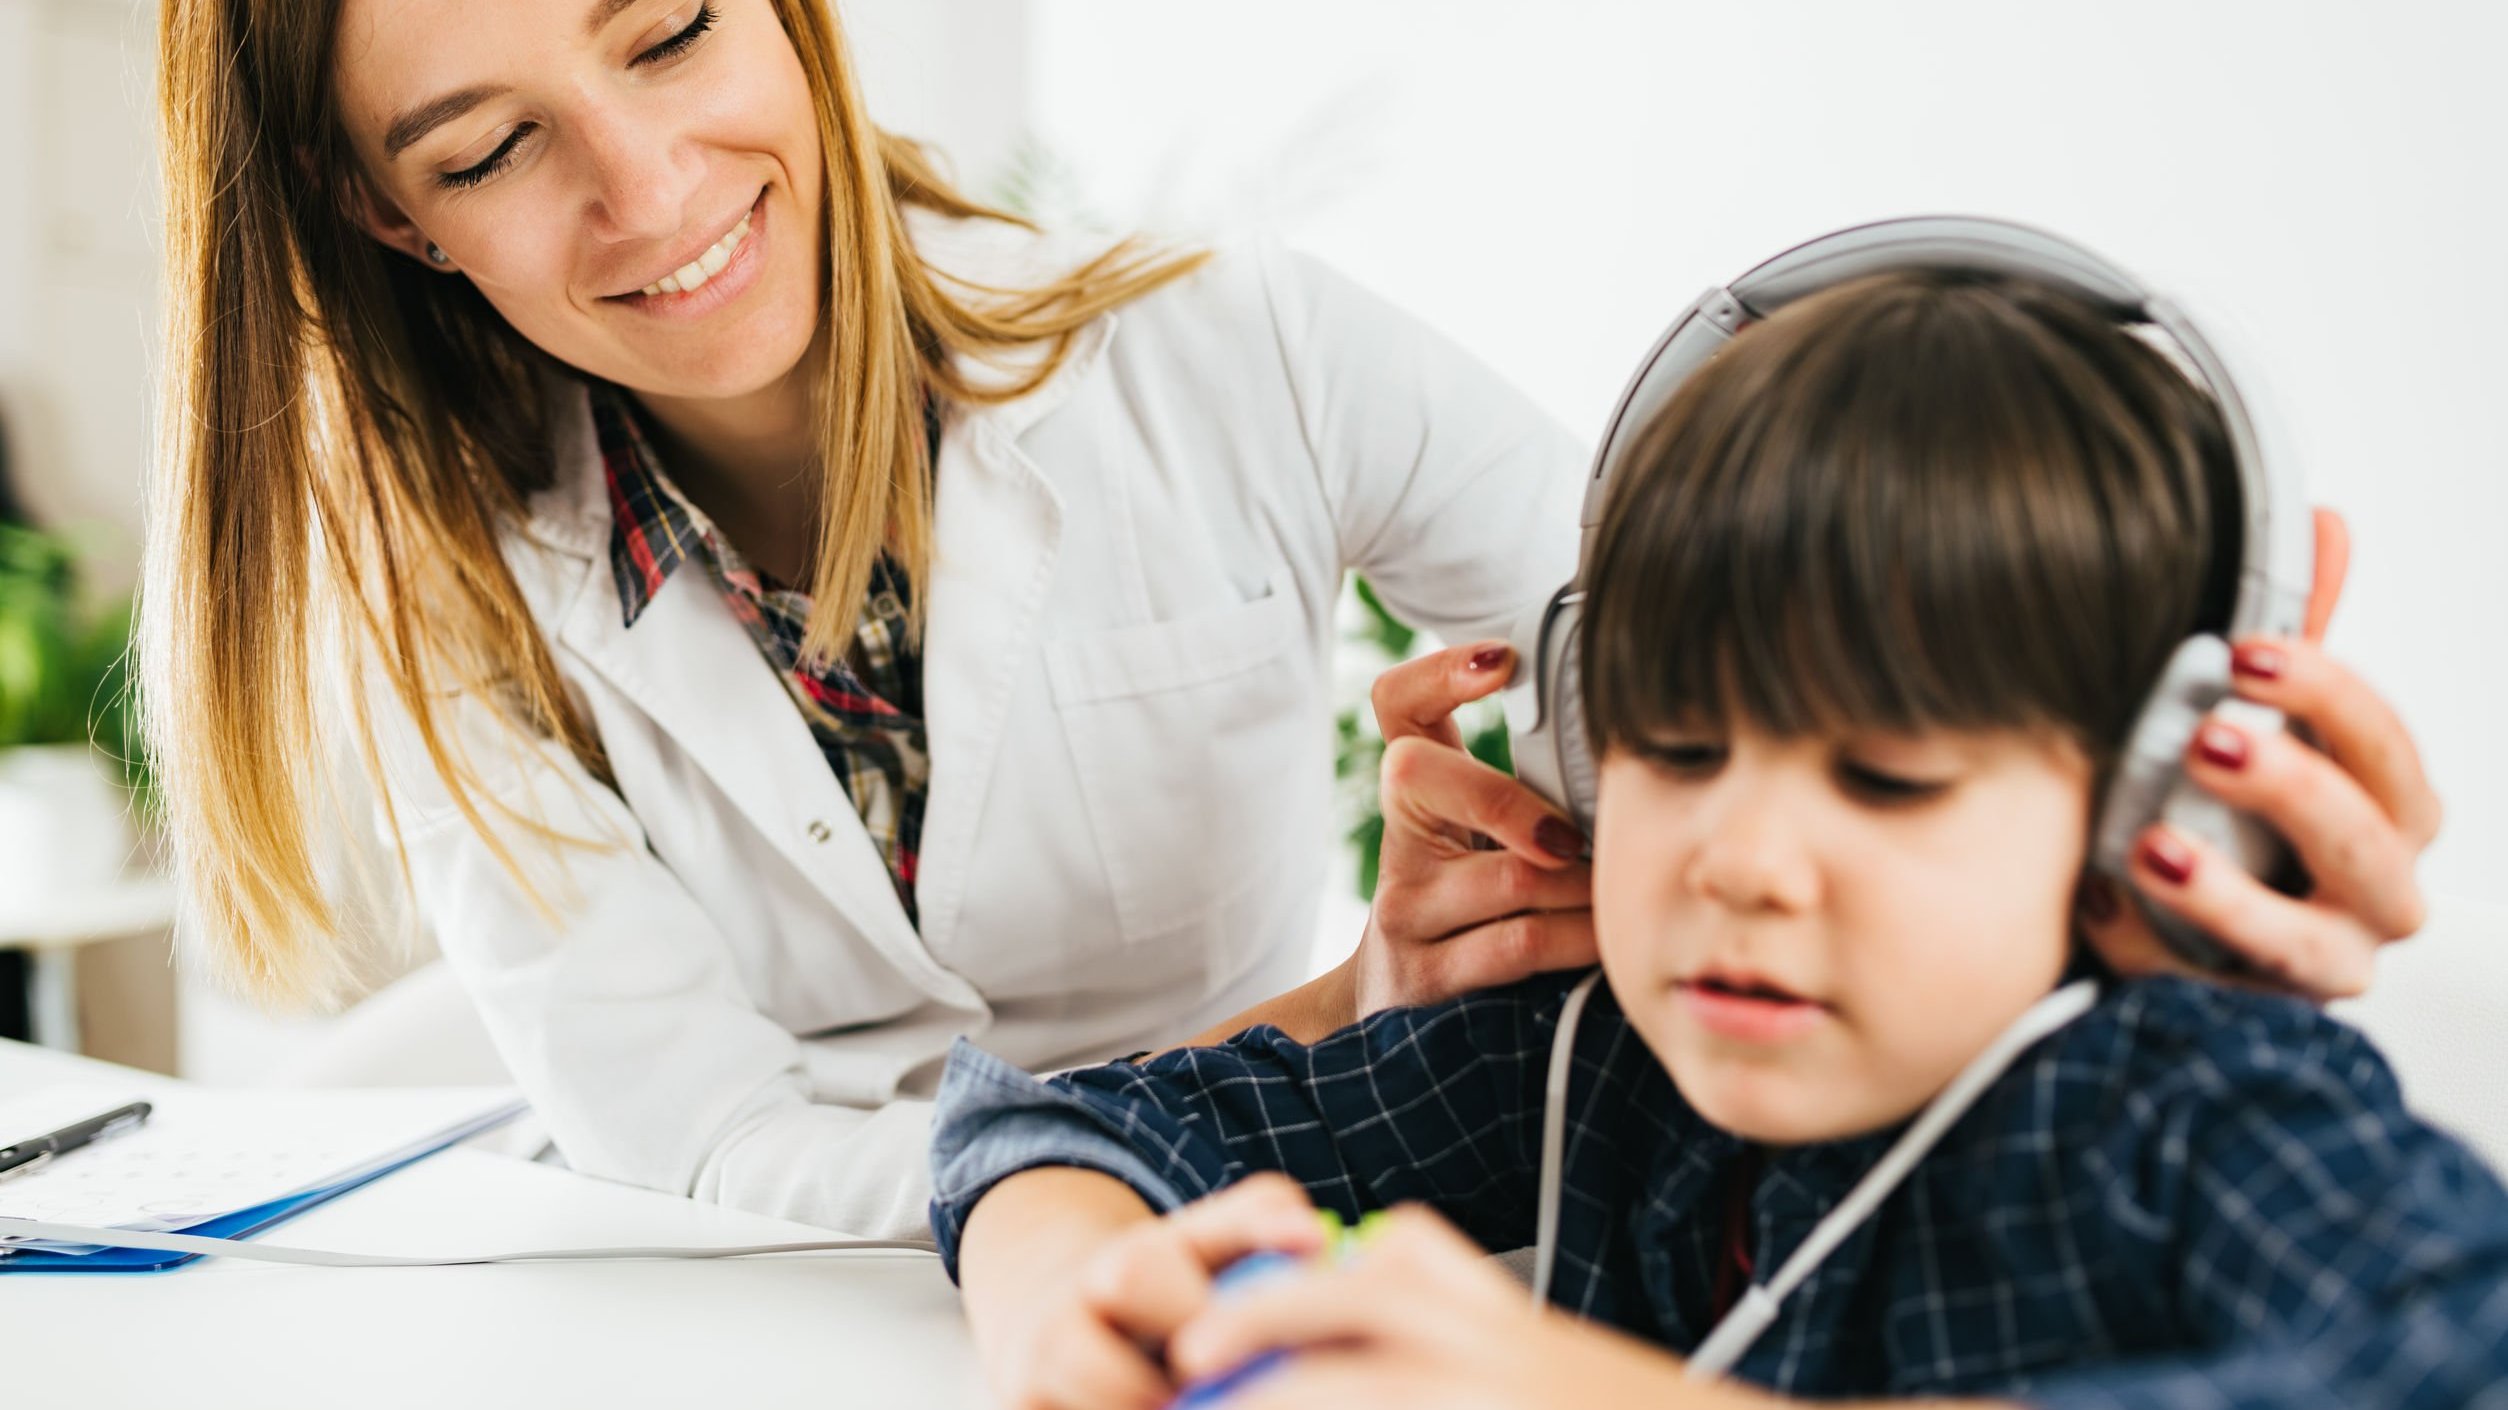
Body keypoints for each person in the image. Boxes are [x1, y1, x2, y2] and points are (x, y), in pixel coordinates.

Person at [144, 0, 2441, 1241]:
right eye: (482, 148)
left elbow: (1671, 645)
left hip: (1312, 1209)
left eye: (665, 35)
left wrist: (2089, 878)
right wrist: (1308, 1021)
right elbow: (702, 1140)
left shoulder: (1225, 346)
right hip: (815, 1309)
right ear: (387, 212)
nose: (644, 195)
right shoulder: (437, 584)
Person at [928, 270, 2508, 1408]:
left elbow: (2460, 1345)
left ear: (2145, 804)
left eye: (1887, 778)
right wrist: (1067, 1298)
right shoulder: (1598, 1053)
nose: (1740, 861)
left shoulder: (2180, 1104)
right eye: (1676, 750)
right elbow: (1046, 1126)